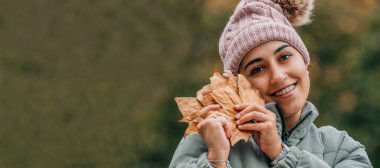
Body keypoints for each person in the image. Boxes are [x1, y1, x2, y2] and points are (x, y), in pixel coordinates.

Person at [169, 0, 373, 167]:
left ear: (305, 62)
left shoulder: (342, 148)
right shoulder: (204, 139)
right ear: (238, 86)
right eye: (257, 69)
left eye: (284, 57)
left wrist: (280, 154)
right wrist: (216, 159)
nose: (277, 76)